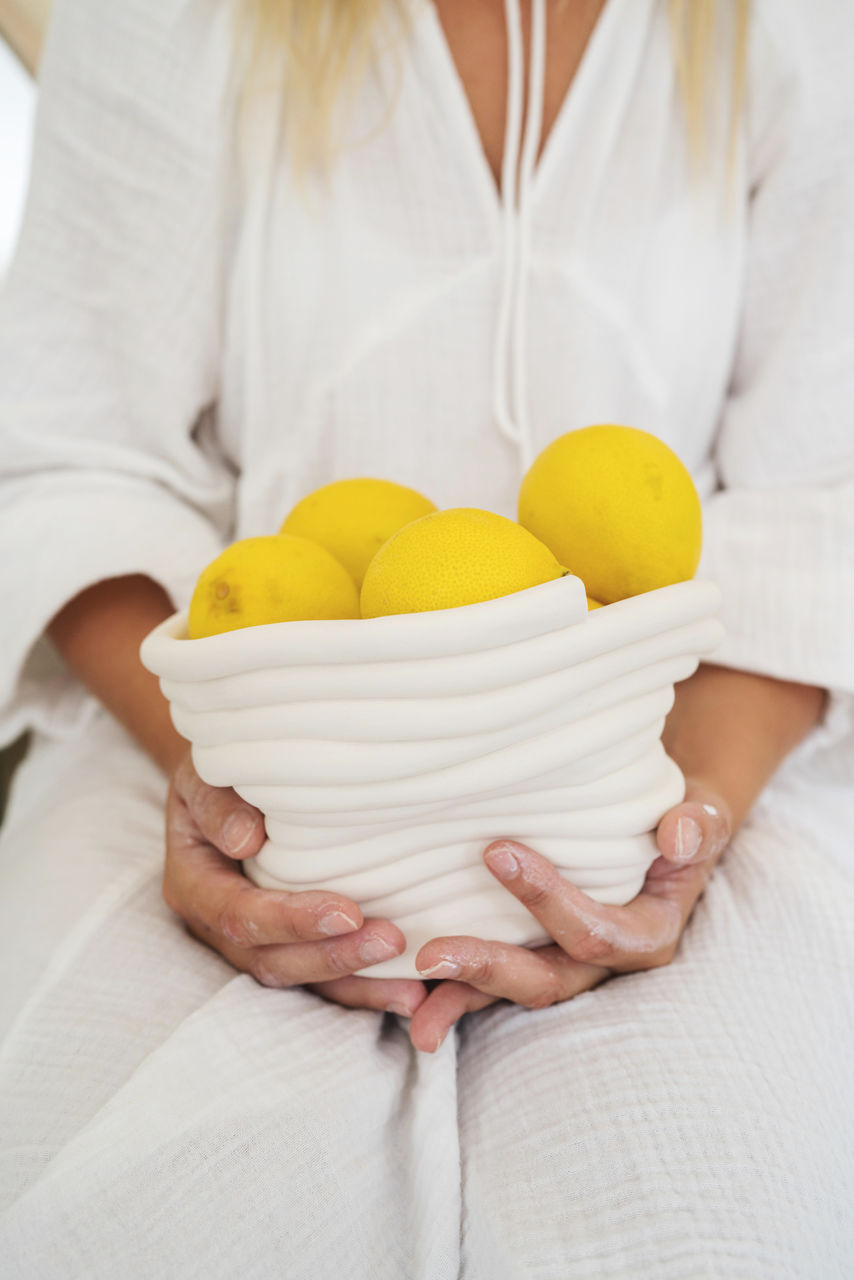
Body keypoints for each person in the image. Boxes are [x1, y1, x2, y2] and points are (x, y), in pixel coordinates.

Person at [0, 0, 852, 1274]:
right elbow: (69, 450)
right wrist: (243, 780)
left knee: (715, 1222)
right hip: (225, 755)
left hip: (682, 750)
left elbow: (816, 501)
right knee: (125, 1211)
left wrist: (682, 828)